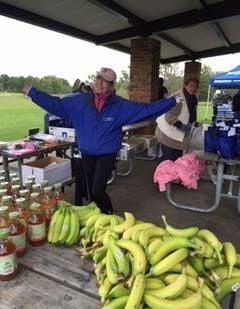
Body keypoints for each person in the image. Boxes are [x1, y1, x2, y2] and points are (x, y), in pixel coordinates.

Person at [23, 67, 176, 214]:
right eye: (98, 78)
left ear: (111, 85)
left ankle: (108, 212)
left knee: (97, 190)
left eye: (105, 80)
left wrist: (170, 102)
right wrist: (33, 93)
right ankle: (97, 216)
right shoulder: (80, 101)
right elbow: (55, 103)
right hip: (87, 153)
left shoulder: (120, 105)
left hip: (106, 154)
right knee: (91, 191)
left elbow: (146, 110)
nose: (99, 82)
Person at [156, 77, 199, 162]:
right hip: (168, 134)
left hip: (176, 135)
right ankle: (164, 174)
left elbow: (188, 114)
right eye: (191, 85)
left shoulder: (191, 99)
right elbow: (169, 114)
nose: (193, 88)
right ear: (185, 86)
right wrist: (180, 125)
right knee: (168, 162)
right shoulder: (178, 97)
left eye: (195, 86)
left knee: (176, 160)